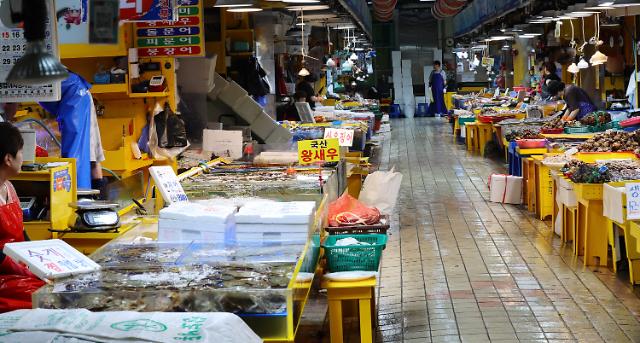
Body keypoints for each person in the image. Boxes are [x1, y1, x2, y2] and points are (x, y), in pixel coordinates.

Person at [39, 71, 106, 192]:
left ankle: (81, 199)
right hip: (76, 93)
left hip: (76, 94)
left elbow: (9, 106)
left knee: (75, 156)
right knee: (85, 154)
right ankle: (94, 195)